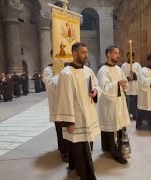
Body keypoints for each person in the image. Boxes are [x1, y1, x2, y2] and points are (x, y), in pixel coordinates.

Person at [56, 42, 100, 180]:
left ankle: (74, 166)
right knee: (81, 149)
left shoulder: (88, 71)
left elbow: (96, 85)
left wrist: (95, 91)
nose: (86, 55)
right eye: (83, 52)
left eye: (86, 52)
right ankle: (87, 175)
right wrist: (69, 122)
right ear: (74, 54)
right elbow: (65, 99)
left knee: (82, 146)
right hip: (76, 117)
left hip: (89, 113)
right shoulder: (66, 73)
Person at [97, 46, 131, 164]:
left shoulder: (118, 68)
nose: (118, 55)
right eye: (116, 53)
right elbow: (104, 88)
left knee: (119, 127)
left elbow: (124, 84)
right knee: (112, 128)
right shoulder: (103, 70)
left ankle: (114, 148)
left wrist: (125, 82)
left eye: (119, 53)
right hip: (109, 103)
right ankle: (115, 152)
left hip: (119, 101)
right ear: (108, 54)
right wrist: (118, 84)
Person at [42, 50, 69, 162]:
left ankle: (72, 149)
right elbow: (52, 85)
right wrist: (60, 72)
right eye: (58, 55)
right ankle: (63, 151)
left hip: (70, 104)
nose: (61, 58)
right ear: (53, 56)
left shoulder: (69, 68)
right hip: (57, 105)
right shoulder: (48, 70)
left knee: (70, 128)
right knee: (61, 129)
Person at [121, 52, 142, 120]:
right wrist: (128, 78)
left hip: (136, 86)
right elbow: (122, 75)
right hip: (129, 86)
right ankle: (129, 114)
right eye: (128, 56)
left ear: (133, 57)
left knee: (136, 101)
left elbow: (141, 74)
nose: (129, 57)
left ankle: (136, 114)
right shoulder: (124, 65)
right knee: (129, 101)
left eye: (131, 56)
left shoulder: (137, 65)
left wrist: (134, 75)